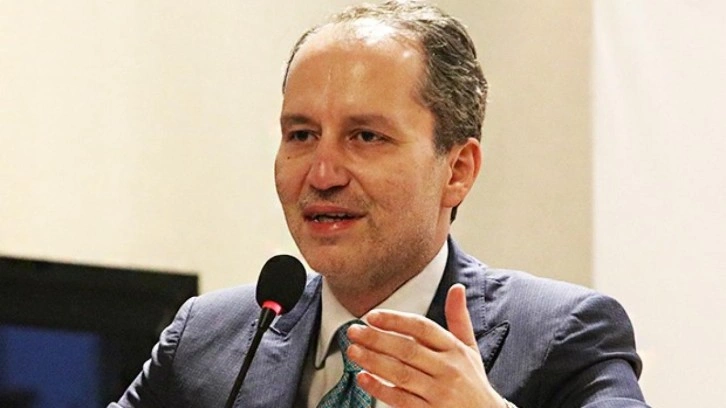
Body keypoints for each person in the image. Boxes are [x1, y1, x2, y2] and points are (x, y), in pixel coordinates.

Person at [111, 1, 647, 407]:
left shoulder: (562, 336)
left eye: (366, 136)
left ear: (457, 170)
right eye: (301, 135)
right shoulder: (207, 338)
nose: (322, 175)